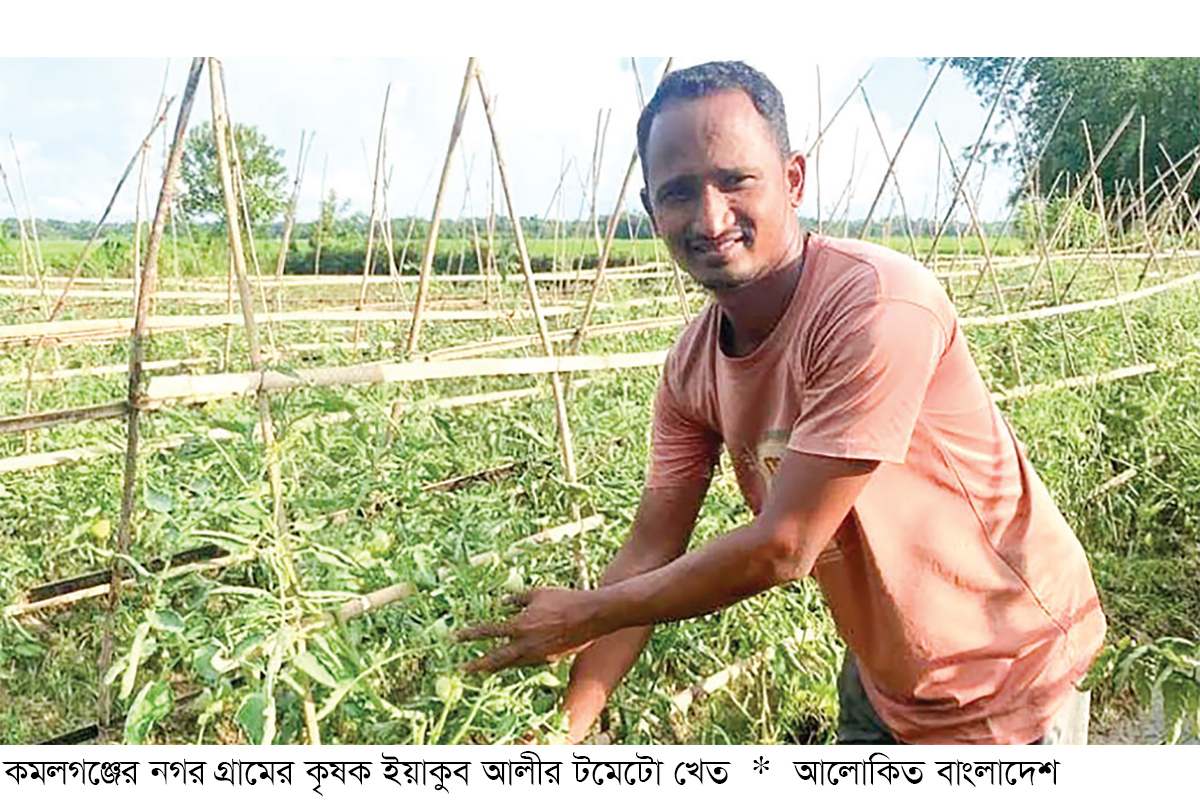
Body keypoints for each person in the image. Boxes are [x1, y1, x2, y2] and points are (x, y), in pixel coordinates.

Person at [457, 60, 1106, 746]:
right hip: (888, 675)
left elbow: (785, 547)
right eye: (678, 192)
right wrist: (563, 732)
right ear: (652, 212)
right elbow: (649, 550)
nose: (709, 218)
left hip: (1010, 668)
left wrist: (587, 613)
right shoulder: (689, 370)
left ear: (793, 180)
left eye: (735, 180)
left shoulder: (877, 305)